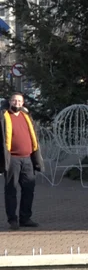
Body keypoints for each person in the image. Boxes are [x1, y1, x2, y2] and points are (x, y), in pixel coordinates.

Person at [0, 93, 43, 230]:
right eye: (14, 100)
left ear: (23, 103)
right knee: (11, 189)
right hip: (12, 158)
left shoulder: (26, 116)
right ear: (10, 101)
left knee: (29, 189)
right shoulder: (3, 116)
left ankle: (25, 218)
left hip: (28, 158)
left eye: (19, 101)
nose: (17, 103)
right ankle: (13, 220)